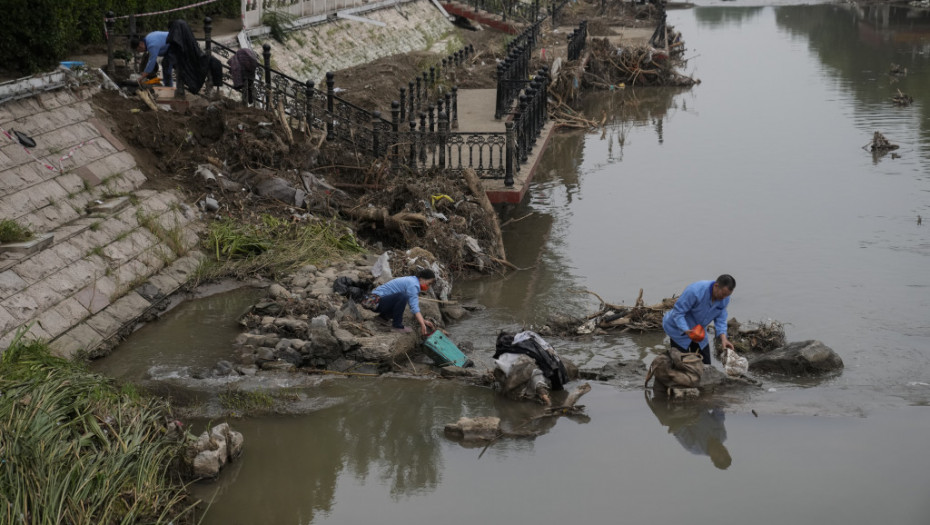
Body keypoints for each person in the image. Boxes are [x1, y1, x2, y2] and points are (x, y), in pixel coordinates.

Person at [662, 274, 735, 365]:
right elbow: (678, 313)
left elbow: (721, 318)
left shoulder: (724, 298)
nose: (724, 298)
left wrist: (724, 339)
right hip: (678, 329)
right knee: (681, 365)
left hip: (699, 331)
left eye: (727, 295)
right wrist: (686, 330)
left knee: (706, 364)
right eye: (723, 294)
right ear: (716, 286)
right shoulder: (694, 291)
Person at [364, 269, 436, 335]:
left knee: (401, 298)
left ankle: (383, 317)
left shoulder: (412, 280)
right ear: (422, 279)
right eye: (428, 283)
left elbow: (413, 305)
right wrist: (422, 324)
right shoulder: (414, 285)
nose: (428, 286)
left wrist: (423, 321)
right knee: (402, 297)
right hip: (373, 302)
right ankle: (397, 326)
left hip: (373, 300)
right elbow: (414, 307)